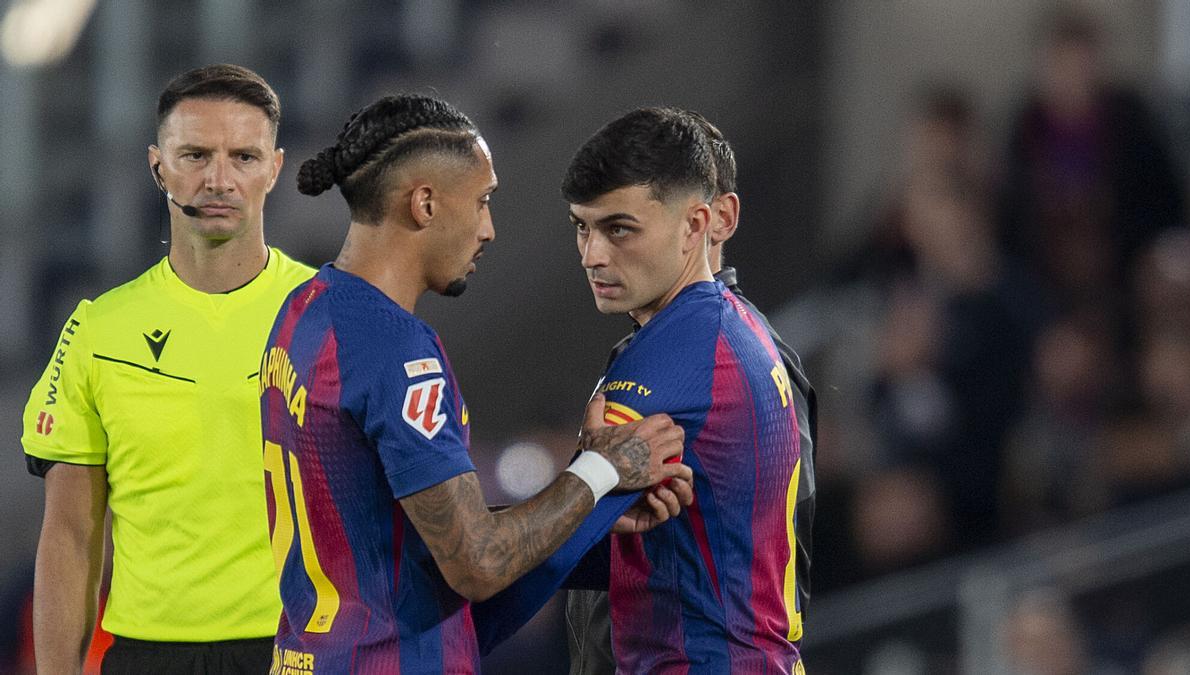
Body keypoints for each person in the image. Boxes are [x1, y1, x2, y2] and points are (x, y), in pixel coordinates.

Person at [261, 93, 693, 674]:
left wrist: (583, 509)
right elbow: (476, 562)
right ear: (425, 204)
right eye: (483, 201)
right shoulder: (396, 349)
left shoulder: (300, 312)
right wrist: (603, 469)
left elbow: (406, 529)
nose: (489, 229)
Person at [20, 64, 315, 674]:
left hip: (301, 650)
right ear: (158, 167)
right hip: (146, 656)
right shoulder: (98, 331)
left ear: (275, 168)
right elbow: (71, 536)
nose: (219, 180)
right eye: (195, 155)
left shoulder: (329, 315)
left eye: (243, 157)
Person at [560, 107, 814, 672]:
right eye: (582, 227)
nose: (591, 255)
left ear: (701, 224)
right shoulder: (744, 335)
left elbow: (551, 545)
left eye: (618, 229)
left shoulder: (682, 355)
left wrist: (440, 538)